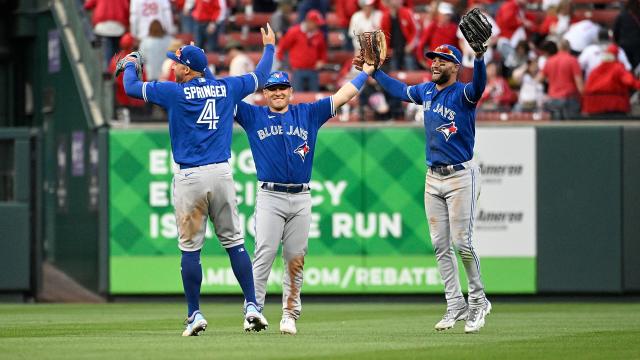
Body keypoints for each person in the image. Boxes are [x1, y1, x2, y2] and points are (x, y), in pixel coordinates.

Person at [120, 24, 277, 336]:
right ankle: (252, 306)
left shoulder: (174, 92)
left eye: (178, 62)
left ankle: (194, 314)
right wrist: (270, 47)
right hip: (221, 173)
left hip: (190, 176)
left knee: (191, 249)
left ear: (189, 70)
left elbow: (131, 88)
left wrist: (129, 64)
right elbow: (261, 77)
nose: (173, 66)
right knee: (234, 243)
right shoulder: (227, 87)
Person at [234, 67, 373, 335]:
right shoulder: (253, 115)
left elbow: (343, 96)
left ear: (290, 91)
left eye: (282, 88)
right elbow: (223, 96)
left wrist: (365, 73)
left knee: (295, 258)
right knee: (263, 254)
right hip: (270, 195)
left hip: (301, 197)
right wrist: (202, 72)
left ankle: (289, 315)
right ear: (264, 94)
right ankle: (253, 310)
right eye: (272, 89)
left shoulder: (307, 113)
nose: (277, 93)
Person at [367, 42, 491, 333]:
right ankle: (454, 304)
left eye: (443, 60)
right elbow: (398, 90)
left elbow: (480, 85)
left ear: (455, 67)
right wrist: (375, 73)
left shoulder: (463, 93)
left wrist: (481, 58)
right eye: (433, 59)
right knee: (439, 245)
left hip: (461, 175)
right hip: (433, 177)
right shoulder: (426, 91)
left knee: (463, 243)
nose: (435, 64)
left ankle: (478, 301)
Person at [582, 44, 640, 116]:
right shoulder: (618, 68)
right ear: (616, 56)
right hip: (614, 105)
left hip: (593, 106)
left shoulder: (595, 70)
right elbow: (630, 81)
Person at [277, 10, 328, 91]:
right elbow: (283, 45)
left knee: (314, 96)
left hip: (313, 70)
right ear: (309, 22)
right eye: (316, 23)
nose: (318, 26)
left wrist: (322, 61)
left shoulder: (319, 35)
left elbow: (323, 52)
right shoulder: (295, 31)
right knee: (298, 96)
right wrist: (281, 60)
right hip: (297, 70)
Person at [537, 39, 583, 120]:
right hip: (570, 99)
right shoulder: (573, 60)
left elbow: (539, 79)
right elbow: (580, 86)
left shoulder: (549, 61)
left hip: (553, 100)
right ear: (569, 48)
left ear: (558, 48)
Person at [83, 0, 129, 72]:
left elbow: (87, 5)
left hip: (102, 26)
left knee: (108, 47)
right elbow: (128, 9)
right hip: (119, 27)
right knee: (116, 51)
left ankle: (108, 71)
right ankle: (114, 72)